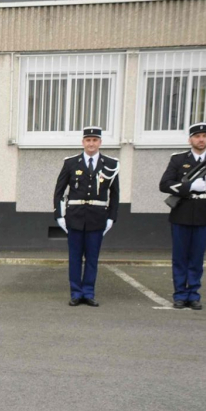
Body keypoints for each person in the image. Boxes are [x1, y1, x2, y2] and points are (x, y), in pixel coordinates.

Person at [159, 122, 206, 310]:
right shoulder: (178, 160)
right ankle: (180, 294)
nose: (201, 139)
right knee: (180, 258)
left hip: (205, 215)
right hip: (181, 214)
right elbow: (164, 184)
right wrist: (189, 187)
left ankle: (193, 295)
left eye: (204, 136)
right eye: (197, 136)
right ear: (190, 139)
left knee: (196, 258)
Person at [54, 126, 119, 307]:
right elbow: (59, 191)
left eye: (95, 140)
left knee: (92, 258)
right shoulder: (71, 163)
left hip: (97, 217)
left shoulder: (110, 164)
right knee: (75, 257)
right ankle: (75, 292)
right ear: (83, 142)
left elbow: (115, 194)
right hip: (74, 217)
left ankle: (88, 292)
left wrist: (111, 218)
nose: (91, 143)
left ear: (100, 142)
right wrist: (59, 216)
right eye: (88, 140)